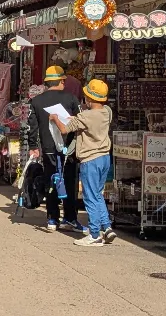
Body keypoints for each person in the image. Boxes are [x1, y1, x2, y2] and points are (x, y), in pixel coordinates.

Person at [52, 78, 115, 246]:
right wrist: (76, 118)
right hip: (104, 158)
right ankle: (107, 227)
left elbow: (65, 129)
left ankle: (95, 234)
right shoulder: (107, 111)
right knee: (98, 194)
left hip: (90, 159)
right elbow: (86, 119)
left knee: (89, 197)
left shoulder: (85, 116)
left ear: (89, 98)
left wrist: (56, 118)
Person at [26, 65, 82, 232]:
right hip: (69, 149)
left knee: (51, 180)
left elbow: (32, 126)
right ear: (62, 81)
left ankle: (52, 219)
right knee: (70, 182)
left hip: (48, 148)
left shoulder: (36, 101)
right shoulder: (71, 99)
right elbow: (80, 122)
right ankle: (70, 218)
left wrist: (33, 146)